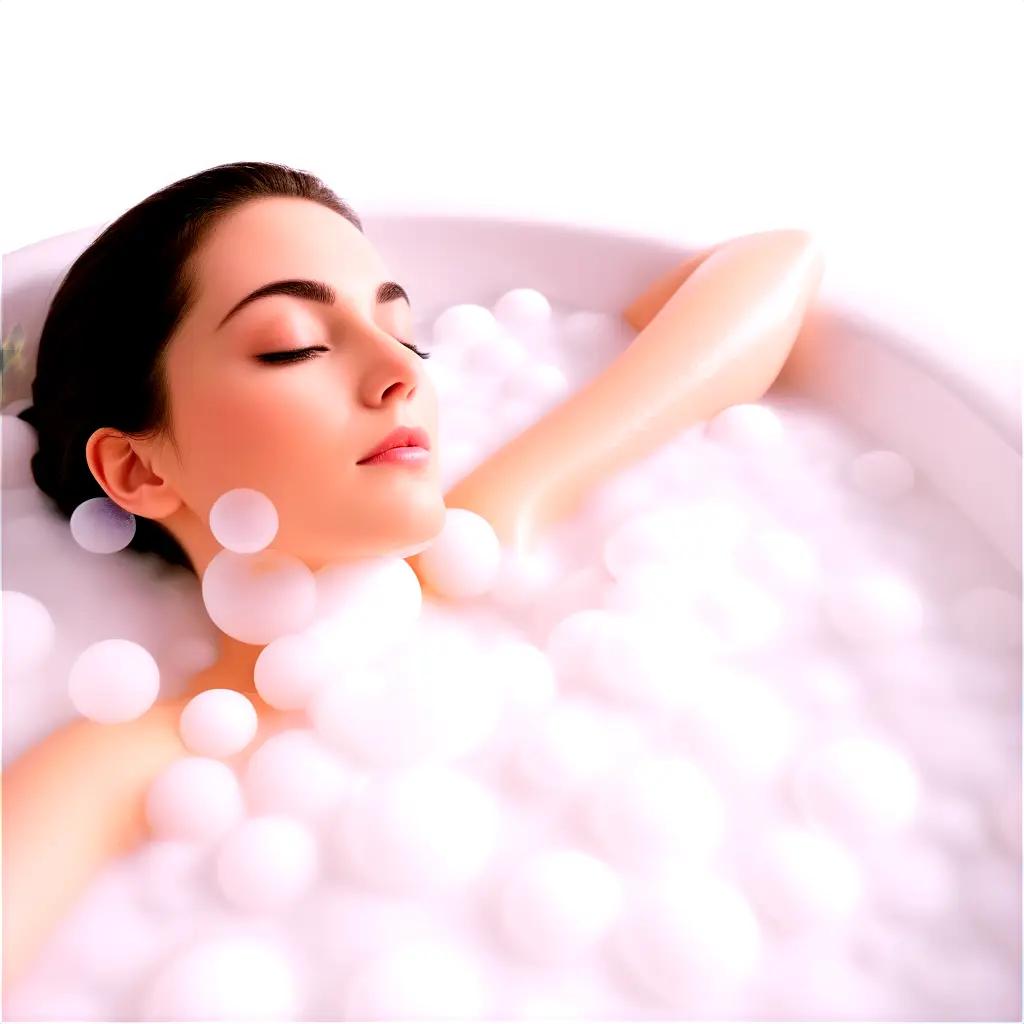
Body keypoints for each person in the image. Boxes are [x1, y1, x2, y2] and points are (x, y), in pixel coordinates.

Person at [2, 160, 824, 991]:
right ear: (138, 473)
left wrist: (526, 485)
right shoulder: (137, 762)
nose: (401, 374)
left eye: (404, 332)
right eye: (294, 345)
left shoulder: (479, 543)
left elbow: (776, 264)